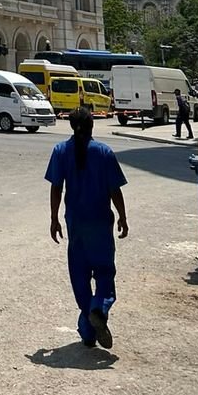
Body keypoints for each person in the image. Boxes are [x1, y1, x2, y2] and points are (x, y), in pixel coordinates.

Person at [45, 108, 128, 349]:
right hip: (101, 223)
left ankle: (88, 331)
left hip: (76, 224)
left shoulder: (61, 151)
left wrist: (54, 218)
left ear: (71, 127)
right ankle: (98, 309)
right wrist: (123, 216)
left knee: (79, 277)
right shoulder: (104, 152)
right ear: (92, 127)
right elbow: (115, 189)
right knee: (104, 273)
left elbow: (56, 188)